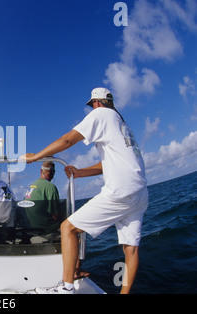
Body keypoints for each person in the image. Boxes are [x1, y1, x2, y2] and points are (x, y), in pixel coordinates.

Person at [21, 87, 148, 294]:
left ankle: (67, 288)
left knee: (67, 228)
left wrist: (36, 157)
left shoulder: (101, 115)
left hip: (120, 192)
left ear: (96, 103)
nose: (91, 109)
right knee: (131, 250)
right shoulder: (122, 124)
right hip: (141, 194)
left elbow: (68, 140)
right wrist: (80, 173)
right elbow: (108, 164)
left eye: (91, 105)